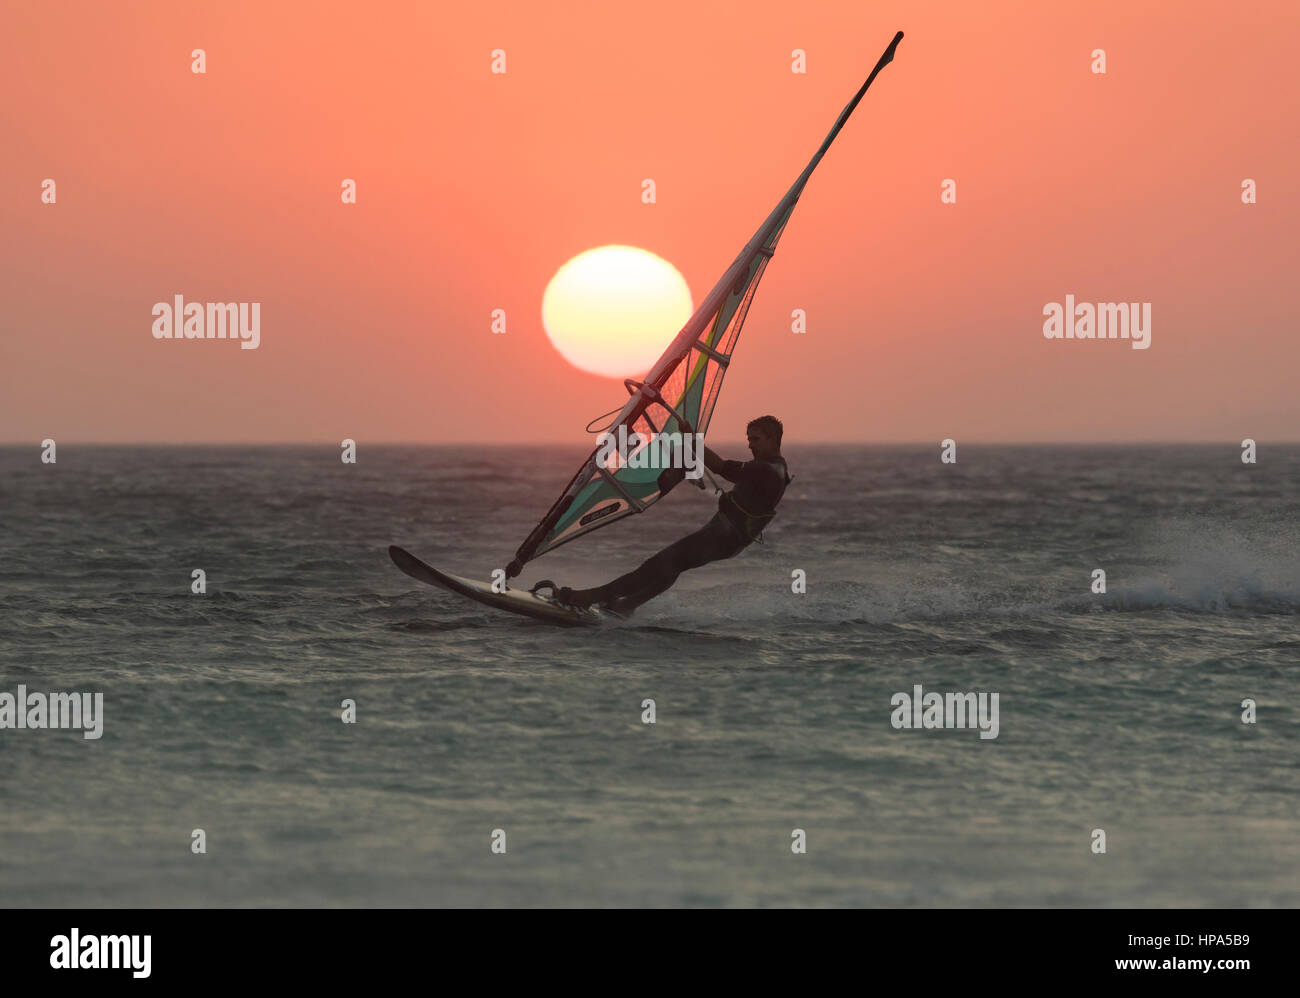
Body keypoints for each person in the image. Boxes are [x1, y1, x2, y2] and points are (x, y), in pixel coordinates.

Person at [551, 415, 791, 616]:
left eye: (756, 439)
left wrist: (690, 437)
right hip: (728, 540)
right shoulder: (777, 468)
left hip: (721, 537)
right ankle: (626, 605)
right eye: (749, 439)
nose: (751, 445)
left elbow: (721, 467)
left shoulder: (766, 469)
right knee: (672, 567)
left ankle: (587, 598)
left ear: (773, 439)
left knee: (658, 565)